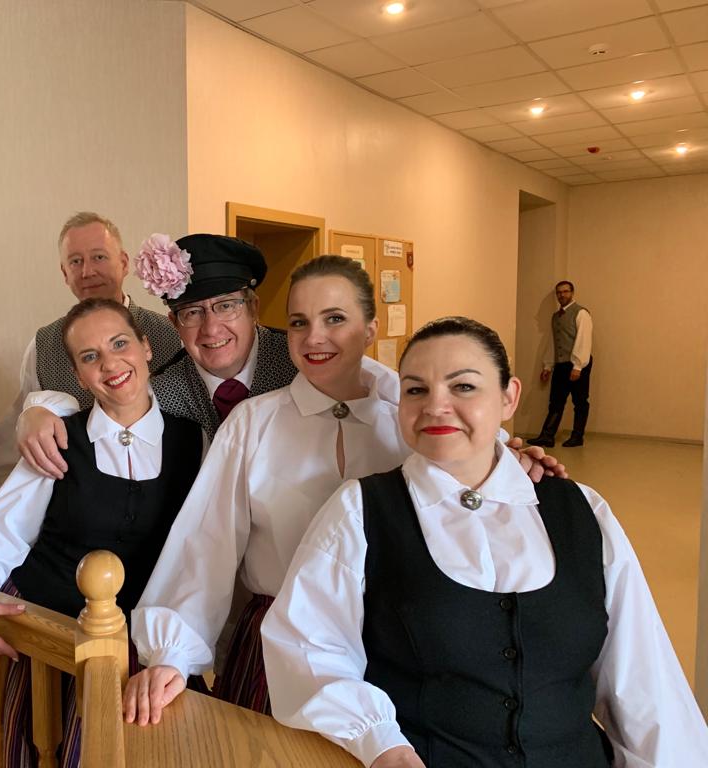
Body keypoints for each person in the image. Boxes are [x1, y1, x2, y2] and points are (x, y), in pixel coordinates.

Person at [262, 316, 708, 767]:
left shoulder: (583, 510)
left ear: (509, 396)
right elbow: (309, 649)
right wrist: (380, 742)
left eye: (464, 387)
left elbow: (642, 678)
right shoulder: (361, 510)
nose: (436, 406)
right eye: (415, 390)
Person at [122, 256, 412, 726]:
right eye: (299, 322)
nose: (314, 337)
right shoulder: (253, 422)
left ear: (370, 329)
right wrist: (172, 654)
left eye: (335, 319)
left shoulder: (411, 425)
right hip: (277, 650)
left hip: (395, 646)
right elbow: (206, 543)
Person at [0, 298, 204, 768]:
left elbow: (200, 551)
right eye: (90, 356)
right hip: (49, 634)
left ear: (146, 348)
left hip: (138, 645)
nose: (110, 364)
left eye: (120, 344)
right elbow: (5, 528)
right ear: (78, 376)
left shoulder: (194, 439)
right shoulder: (57, 436)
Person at [16, 233, 299, 481]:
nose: (211, 329)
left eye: (226, 306)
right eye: (192, 312)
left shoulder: (298, 366)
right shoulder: (161, 393)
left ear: (253, 308)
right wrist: (37, 410)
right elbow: (103, 418)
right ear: (174, 323)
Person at [0, 211, 180, 496]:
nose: (87, 272)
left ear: (123, 263)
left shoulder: (171, 335)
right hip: (77, 498)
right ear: (64, 273)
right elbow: (18, 432)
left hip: (166, 491)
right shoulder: (44, 345)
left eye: (99, 257)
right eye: (75, 261)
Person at [527, 280, 593, 448]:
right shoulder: (556, 317)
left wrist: (578, 366)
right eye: (559, 292)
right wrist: (548, 366)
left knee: (580, 401)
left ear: (572, 293)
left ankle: (577, 436)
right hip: (561, 364)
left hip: (578, 364)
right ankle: (547, 436)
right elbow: (553, 342)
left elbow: (584, 340)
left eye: (565, 291)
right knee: (555, 401)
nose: (562, 295)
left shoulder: (581, 313)